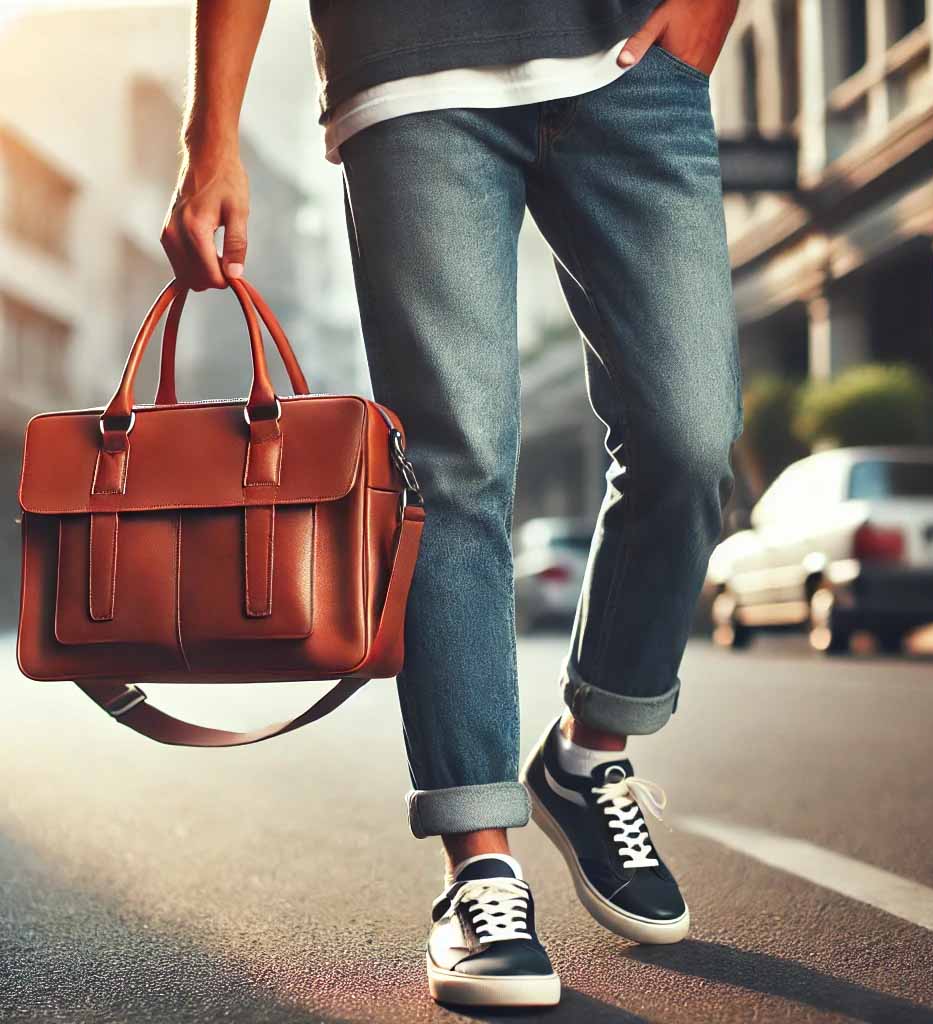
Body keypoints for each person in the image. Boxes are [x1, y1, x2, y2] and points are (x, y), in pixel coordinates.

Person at [161, 0, 741, 1008]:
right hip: (413, 68)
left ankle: (588, 749)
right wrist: (211, 133)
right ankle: (479, 865)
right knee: (452, 470)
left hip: (630, 67)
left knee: (690, 437)